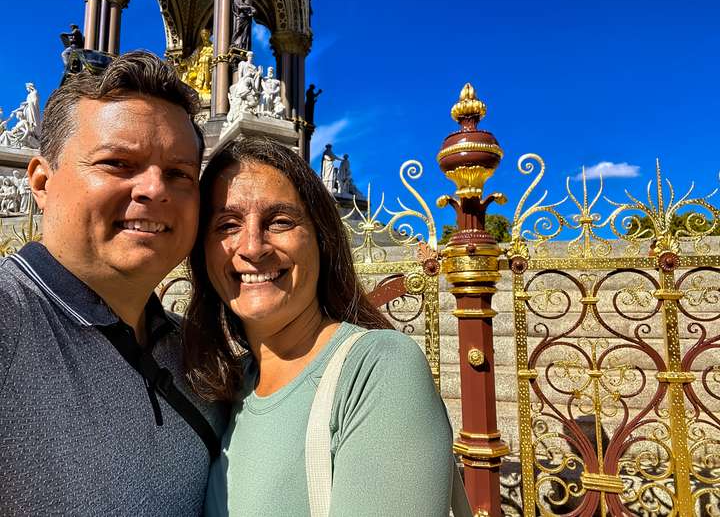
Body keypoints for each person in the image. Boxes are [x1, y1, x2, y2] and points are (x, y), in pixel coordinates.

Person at [0, 51, 226, 515]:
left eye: (180, 173)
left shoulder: (204, 357)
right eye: (118, 163)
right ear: (41, 182)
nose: (154, 189)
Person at [185, 137, 453, 516]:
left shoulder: (378, 368)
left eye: (279, 221)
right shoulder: (227, 384)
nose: (252, 247)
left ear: (321, 239)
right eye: (227, 225)